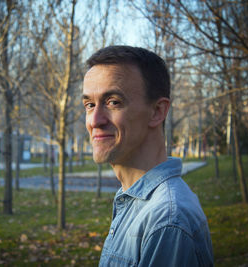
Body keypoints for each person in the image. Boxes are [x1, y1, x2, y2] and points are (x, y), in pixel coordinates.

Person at [82, 46, 213, 266]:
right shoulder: (134, 200)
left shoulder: (167, 221)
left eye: (113, 102)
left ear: (157, 112)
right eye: (89, 105)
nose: (95, 120)